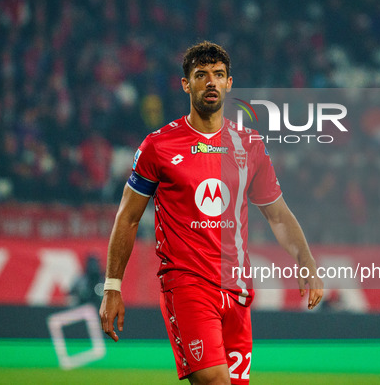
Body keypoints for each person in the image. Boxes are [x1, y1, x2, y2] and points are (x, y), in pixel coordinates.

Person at [99, 41, 323, 385]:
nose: (211, 82)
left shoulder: (249, 145)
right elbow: (127, 218)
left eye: (219, 75)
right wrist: (112, 287)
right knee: (216, 381)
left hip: (237, 289)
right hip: (186, 285)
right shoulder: (158, 146)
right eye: (201, 75)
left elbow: (277, 214)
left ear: (230, 83)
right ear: (186, 84)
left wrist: (306, 263)